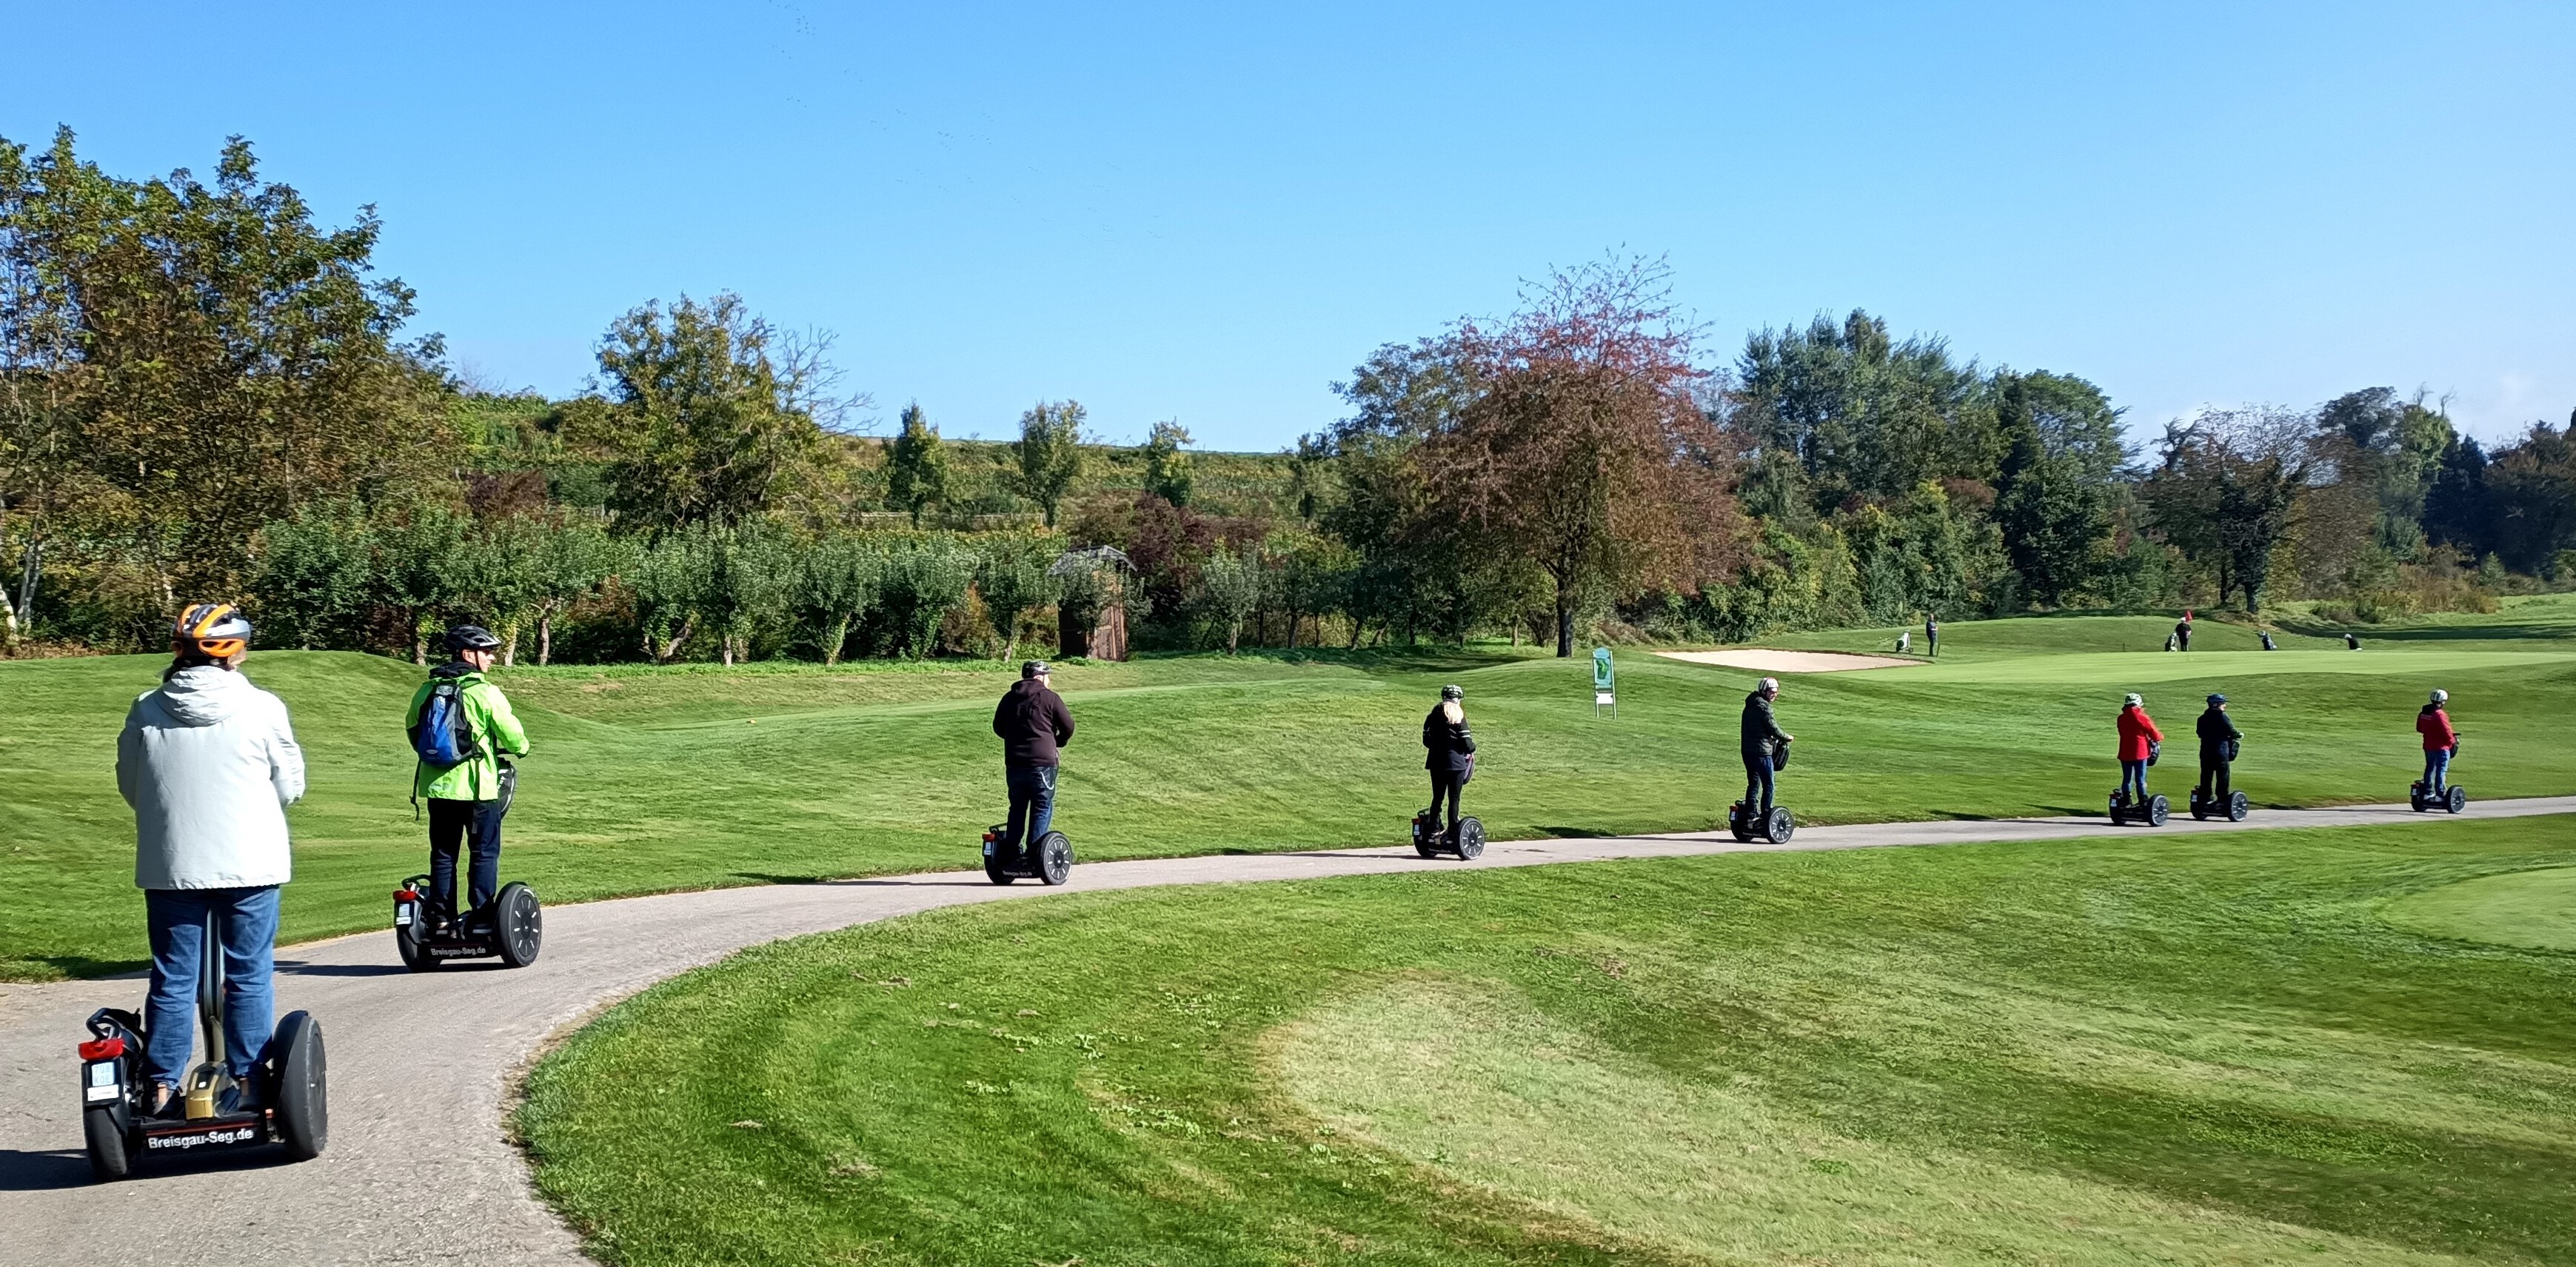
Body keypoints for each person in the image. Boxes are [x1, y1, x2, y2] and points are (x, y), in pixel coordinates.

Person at [116, 603, 307, 1116]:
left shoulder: (146, 707)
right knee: (247, 971)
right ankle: (248, 1082)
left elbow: (132, 785)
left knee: (173, 976)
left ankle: (158, 1089)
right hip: (251, 862)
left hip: (171, 863)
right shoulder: (263, 707)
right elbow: (290, 785)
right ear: (234, 652)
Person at [407, 624, 531, 930]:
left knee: (444, 854)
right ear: (468, 654)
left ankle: (439, 918)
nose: (491, 658)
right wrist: (522, 749)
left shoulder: (427, 690)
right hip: (478, 789)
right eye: (487, 652)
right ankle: (481, 918)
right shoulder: (484, 692)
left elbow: (413, 730)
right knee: (484, 853)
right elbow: (513, 736)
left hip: (438, 789)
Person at [993, 659, 1075, 863]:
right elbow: (1069, 725)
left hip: (1014, 763)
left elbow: (998, 727)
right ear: (1040, 677)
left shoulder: (1009, 698)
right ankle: (1034, 854)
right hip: (1042, 763)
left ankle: (1010, 852)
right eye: (1048, 676)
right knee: (1041, 805)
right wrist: (1058, 741)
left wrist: (1015, 739)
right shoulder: (1050, 698)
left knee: (1017, 807)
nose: (1050, 681)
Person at [1422, 685, 1476, 839]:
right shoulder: (1458, 717)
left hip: (1435, 762)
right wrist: (1472, 748)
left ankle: (1433, 827)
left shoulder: (1432, 716)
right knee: (1454, 798)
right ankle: (1453, 829)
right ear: (1457, 699)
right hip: (1456, 764)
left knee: (1437, 797)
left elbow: (1426, 741)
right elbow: (1467, 744)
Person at [1740, 676, 1791, 818]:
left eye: (1775, 691)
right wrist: (1786, 737)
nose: (1774, 694)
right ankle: (1767, 814)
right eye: (1771, 692)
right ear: (1763, 691)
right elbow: (1773, 728)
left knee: (1753, 783)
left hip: (1747, 751)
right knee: (1769, 784)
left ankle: (1751, 813)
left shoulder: (1750, 704)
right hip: (1761, 752)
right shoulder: (1764, 708)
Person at [2116, 692, 2162, 806]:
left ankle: (2126, 800)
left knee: (2127, 779)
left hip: (2125, 751)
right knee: (2140, 779)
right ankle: (2143, 800)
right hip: (2140, 752)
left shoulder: (2121, 718)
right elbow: (2153, 732)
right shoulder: (2141, 717)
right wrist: (2158, 738)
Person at [2195, 692, 2241, 806]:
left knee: (2206, 775)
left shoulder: (2202, 718)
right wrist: (2239, 735)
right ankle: (2222, 799)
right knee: (2223, 776)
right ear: (2216, 704)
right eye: (2223, 703)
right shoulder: (2222, 716)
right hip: (2220, 752)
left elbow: (2199, 733)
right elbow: (2231, 731)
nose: (2224, 705)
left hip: (2205, 751)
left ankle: (2205, 798)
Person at [2418, 689, 2458, 795]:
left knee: (2430, 769)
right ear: (2443, 701)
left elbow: (2420, 728)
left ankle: (2428, 791)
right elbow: (2447, 731)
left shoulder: (2424, 713)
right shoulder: (2440, 714)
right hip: (2441, 747)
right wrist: (2452, 742)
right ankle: (2440, 793)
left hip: (2428, 746)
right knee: (2441, 770)